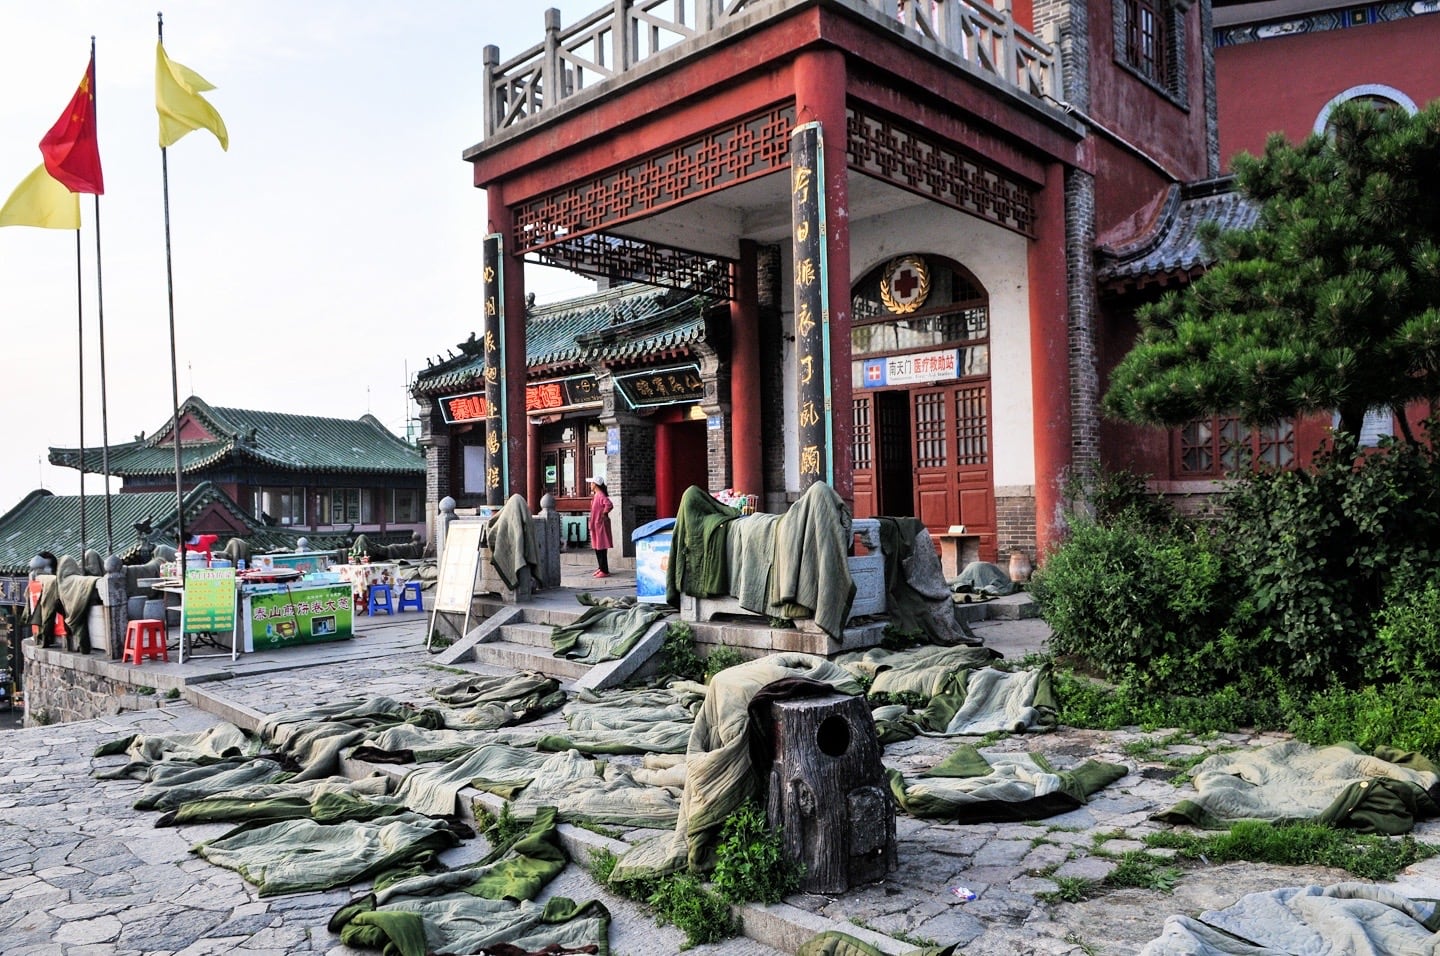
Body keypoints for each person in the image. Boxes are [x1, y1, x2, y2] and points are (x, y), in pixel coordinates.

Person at [587, 475, 614, 578]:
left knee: (601, 547)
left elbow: (609, 504)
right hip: (596, 524)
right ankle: (600, 567)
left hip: (600, 525)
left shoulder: (600, 495)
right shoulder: (597, 495)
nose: (590, 485)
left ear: (595, 484)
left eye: (591, 483)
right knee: (597, 547)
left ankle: (604, 570)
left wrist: (604, 514)